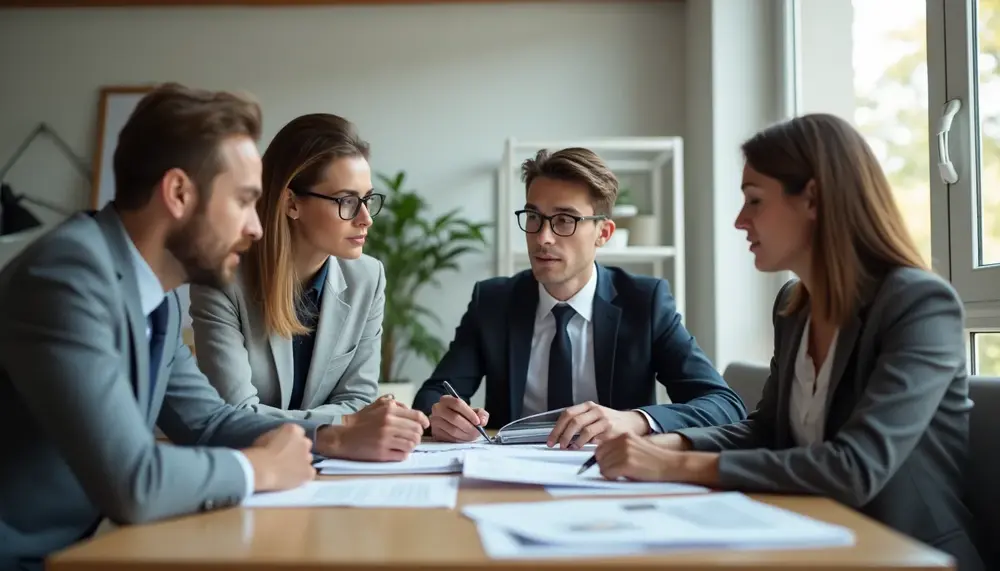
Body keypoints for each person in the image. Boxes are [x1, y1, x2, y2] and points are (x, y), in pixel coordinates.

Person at [0, 83, 426, 570]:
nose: (257, 227)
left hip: (85, 548)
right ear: (179, 193)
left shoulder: (151, 294)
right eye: (244, 201)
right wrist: (259, 467)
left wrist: (330, 437)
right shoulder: (65, 279)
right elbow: (135, 482)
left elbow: (208, 421)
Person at [591, 114, 986, 571]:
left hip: (903, 552)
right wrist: (669, 443)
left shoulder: (919, 304)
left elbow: (855, 468)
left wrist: (676, 466)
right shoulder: (793, 307)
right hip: (809, 536)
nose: (740, 221)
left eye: (754, 201)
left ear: (813, 198)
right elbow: (767, 431)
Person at [412, 147, 746, 447]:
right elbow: (433, 395)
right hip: (509, 479)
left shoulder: (644, 302)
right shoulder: (494, 301)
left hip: (609, 477)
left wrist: (635, 420)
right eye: (533, 218)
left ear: (603, 233)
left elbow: (723, 404)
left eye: (564, 220)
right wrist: (444, 417)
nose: (543, 238)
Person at [189, 113, 407, 446]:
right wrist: (344, 423)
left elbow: (361, 399)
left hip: (339, 470)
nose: (365, 219)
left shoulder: (368, 277)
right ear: (292, 203)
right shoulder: (222, 280)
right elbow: (233, 415)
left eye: (366, 200)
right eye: (347, 201)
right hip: (252, 468)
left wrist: (350, 420)